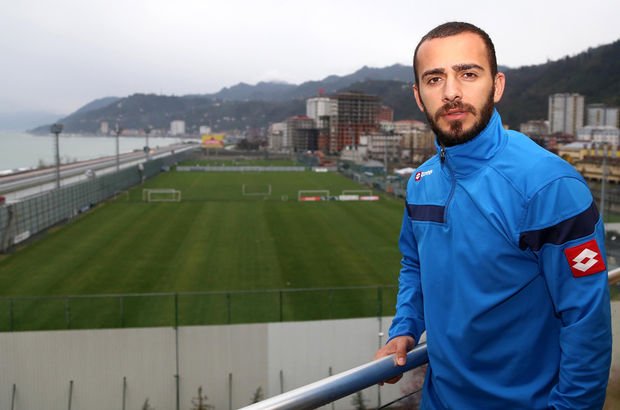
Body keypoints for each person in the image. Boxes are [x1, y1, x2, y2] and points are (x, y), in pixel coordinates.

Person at [374, 21, 612, 409]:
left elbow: (587, 324)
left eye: (468, 74)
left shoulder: (549, 185)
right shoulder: (421, 181)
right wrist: (405, 328)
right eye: (435, 79)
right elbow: (414, 264)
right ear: (418, 96)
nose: (451, 92)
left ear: (497, 86)